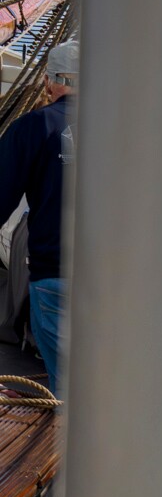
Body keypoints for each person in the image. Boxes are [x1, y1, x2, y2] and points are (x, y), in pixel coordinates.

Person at [0, 39, 77, 394]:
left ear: (51, 81)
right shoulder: (130, 129)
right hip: (121, 280)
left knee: (67, 394)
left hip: (54, 277)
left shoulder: (33, 127)